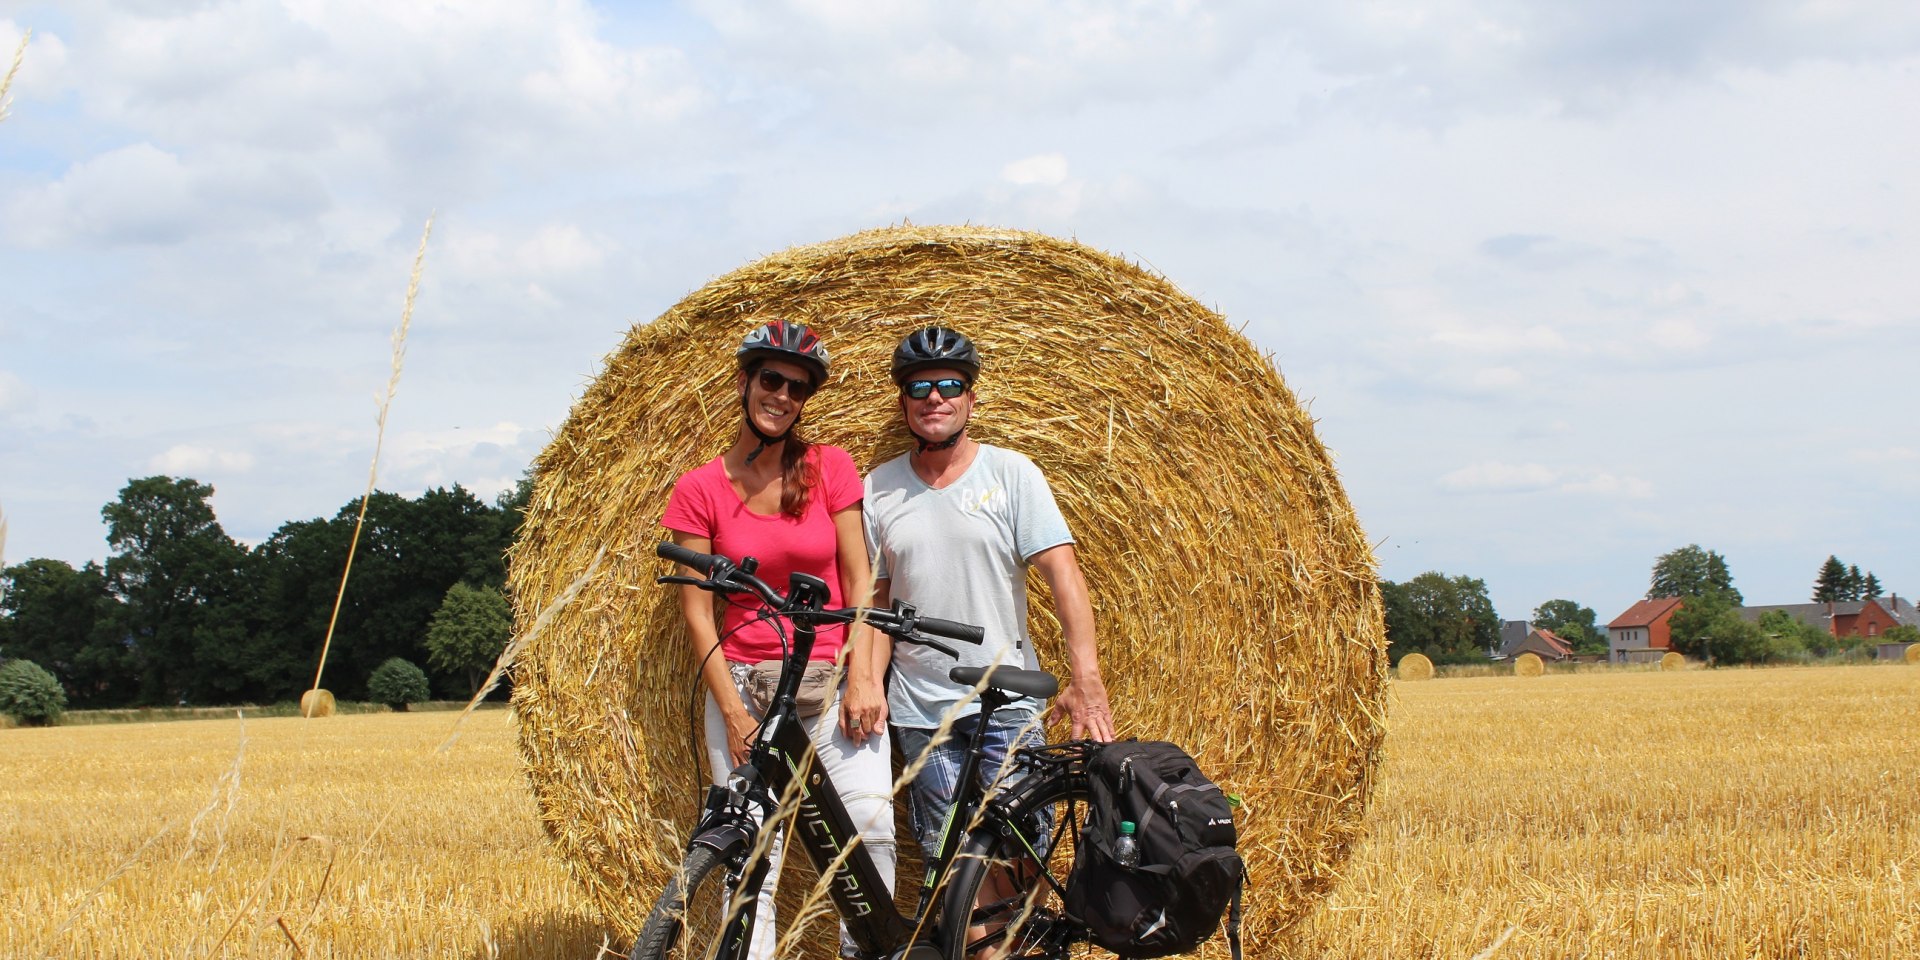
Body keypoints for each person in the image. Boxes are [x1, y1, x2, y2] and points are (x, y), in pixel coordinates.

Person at [659, 320, 893, 960]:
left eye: (797, 387)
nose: (783, 395)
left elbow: (859, 579)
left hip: (830, 677)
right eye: (771, 379)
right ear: (744, 382)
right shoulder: (699, 489)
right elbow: (698, 613)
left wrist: (865, 676)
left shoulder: (829, 468)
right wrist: (733, 712)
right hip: (744, 686)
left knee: (868, 833)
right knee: (751, 857)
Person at [851, 325, 1116, 867]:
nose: (935, 398)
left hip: (1007, 702)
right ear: (903, 401)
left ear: (970, 397)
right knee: (954, 864)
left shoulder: (1011, 474)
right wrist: (865, 683)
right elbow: (876, 603)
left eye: (949, 384)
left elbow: (1063, 573)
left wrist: (1086, 678)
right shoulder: (876, 488)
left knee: (1023, 854)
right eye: (919, 388)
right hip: (921, 709)